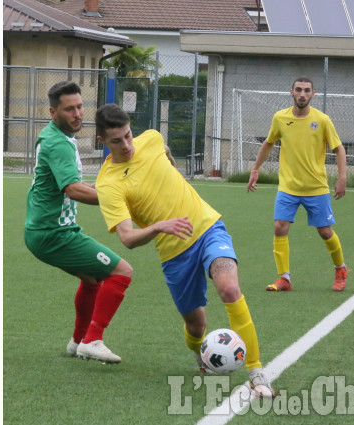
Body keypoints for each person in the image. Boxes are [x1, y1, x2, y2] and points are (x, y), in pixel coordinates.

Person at [94, 103, 275, 399]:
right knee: (196, 324)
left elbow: (164, 153)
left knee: (229, 288)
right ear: (102, 141)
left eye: (128, 135)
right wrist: (159, 226)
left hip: (206, 226)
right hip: (173, 252)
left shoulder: (150, 138)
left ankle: (256, 371)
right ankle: (200, 354)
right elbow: (127, 237)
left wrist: (174, 172)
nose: (126, 145)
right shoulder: (109, 184)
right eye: (117, 141)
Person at [23, 81, 134, 364]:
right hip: (53, 233)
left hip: (49, 231)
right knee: (122, 271)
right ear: (53, 112)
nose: (77, 114)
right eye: (69, 109)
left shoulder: (55, 136)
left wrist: (109, 191)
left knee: (92, 278)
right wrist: (120, 200)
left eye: (80, 106)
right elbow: (72, 189)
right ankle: (93, 340)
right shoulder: (58, 143)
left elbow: (76, 184)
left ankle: (78, 340)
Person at [247, 76, 349, 292]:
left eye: (307, 90)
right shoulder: (280, 118)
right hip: (288, 187)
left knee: (325, 232)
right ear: (291, 92)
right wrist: (255, 169)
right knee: (279, 227)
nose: (302, 94)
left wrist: (342, 177)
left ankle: (340, 269)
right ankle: (284, 278)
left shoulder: (322, 120)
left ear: (313, 94)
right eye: (299, 90)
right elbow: (268, 143)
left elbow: (339, 148)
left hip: (316, 188)